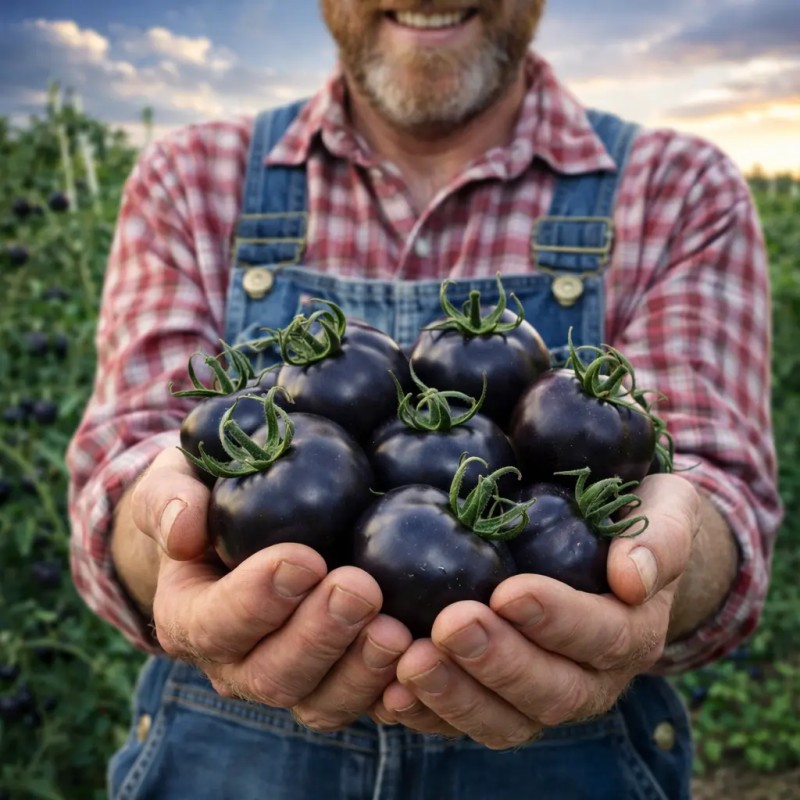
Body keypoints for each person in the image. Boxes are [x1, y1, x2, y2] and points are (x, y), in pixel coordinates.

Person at [67, 1, 782, 798]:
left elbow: (718, 495)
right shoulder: (188, 179)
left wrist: (656, 570)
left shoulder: (681, 190)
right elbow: (121, 466)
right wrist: (165, 536)